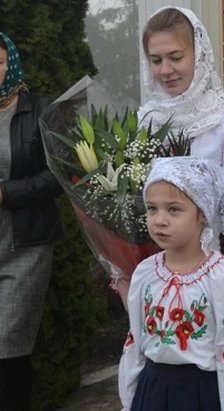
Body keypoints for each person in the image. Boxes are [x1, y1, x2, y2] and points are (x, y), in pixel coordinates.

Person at [115, 6, 224, 306]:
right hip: (151, 268)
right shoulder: (147, 120)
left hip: (206, 269)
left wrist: (189, 259)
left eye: (175, 57)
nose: (165, 70)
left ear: (200, 54)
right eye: (156, 60)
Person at [118, 156, 224, 411]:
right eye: (152, 208)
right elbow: (135, 343)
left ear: (203, 214)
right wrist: (130, 399)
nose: (159, 220)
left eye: (174, 209)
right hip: (152, 391)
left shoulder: (222, 276)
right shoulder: (145, 272)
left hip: (200, 395)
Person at [0, 32, 63, 411]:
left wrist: (6, 193)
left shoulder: (40, 110)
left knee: (8, 347)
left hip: (24, 247)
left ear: (12, 64)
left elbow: (58, 174)